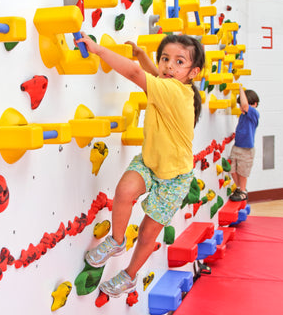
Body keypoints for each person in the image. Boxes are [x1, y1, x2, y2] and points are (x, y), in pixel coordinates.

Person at [76, 33, 205, 298]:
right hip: (150, 162)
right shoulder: (168, 83)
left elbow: (136, 74)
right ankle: (117, 240)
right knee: (124, 191)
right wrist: (143, 55)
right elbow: (153, 72)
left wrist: (99, 50)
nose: (169, 65)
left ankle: (129, 276)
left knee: (147, 233)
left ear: (194, 73)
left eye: (179, 62)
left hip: (175, 178)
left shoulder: (176, 93)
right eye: (165, 58)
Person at [229, 84, 260, 201]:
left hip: (246, 149)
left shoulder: (254, 114)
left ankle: (243, 191)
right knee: (232, 169)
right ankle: (240, 188)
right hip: (237, 146)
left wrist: (241, 89)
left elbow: (245, 105)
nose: (241, 108)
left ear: (254, 104)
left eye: (242, 105)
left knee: (242, 172)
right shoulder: (243, 115)